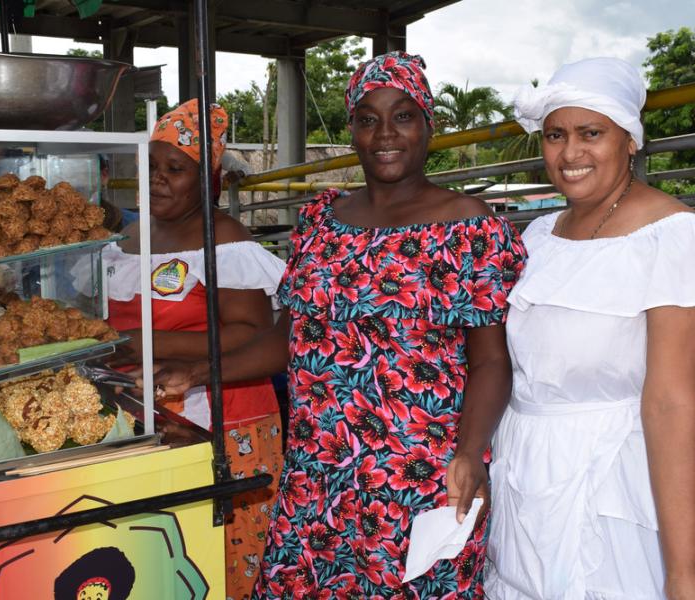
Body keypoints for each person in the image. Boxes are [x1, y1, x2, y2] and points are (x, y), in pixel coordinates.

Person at [158, 52, 527, 598]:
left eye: (403, 116)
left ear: (428, 125)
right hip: (318, 468)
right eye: (367, 118)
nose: (385, 133)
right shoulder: (320, 221)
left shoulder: (466, 224)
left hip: (418, 474)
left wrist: (471, 451)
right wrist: (198, 371)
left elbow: (492, 359)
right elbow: (291, 339)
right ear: (352, 128)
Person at [485, 57, 695, 600]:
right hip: (524, 481)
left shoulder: (675, 241)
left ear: (630, 140)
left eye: (592, 133)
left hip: (607, 488)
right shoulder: (541, 236)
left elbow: (670, 406)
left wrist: (683, 574)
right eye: (555, 135)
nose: (570, 153)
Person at [102, 99, 287, 600]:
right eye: (152, 166)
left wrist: (139, 342)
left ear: (210, 181)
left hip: (226, 425)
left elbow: (253, 331)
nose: (158, 179)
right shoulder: (131, 236)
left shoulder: (223, 238)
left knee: (225, 560)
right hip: (155, 417)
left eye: (175, 169)